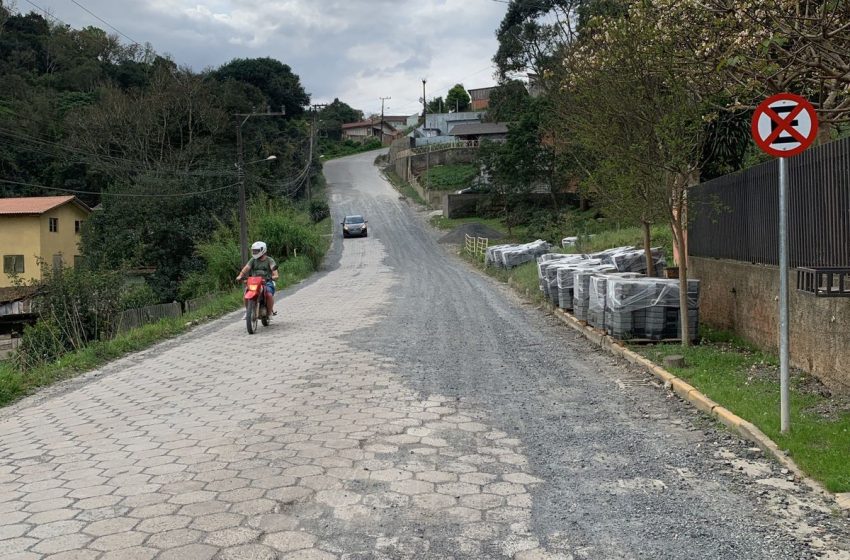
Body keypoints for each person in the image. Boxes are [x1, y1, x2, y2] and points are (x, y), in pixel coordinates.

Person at [236, 241, 279, 317]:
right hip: (254, 282)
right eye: (253, 251)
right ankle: (248, 312)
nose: (254, 252)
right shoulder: (253, 260)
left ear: (263, 250)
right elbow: (246, 268)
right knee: (246, 294)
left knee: (268, 295)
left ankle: (269, 313)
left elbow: (274, 271)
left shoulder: (270, 260)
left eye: (256, 251)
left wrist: (273, 276)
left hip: (267, 282)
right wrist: (240, 275)